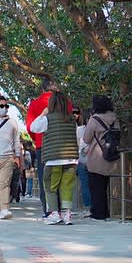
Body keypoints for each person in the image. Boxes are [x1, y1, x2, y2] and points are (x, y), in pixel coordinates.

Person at [30, 92, 78, 225]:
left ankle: (54, 214)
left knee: (50, 187)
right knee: (67, 187)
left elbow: (33, 127)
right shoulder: (72, 119)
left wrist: (42, 114)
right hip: (71, 160)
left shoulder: (47, 119)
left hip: (53, 159)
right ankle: (67, 214)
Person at [26, 79, 60, 217]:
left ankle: (49, 210)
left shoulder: (35, 103)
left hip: (43, 146)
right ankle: (64, 210)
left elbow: (30, 127)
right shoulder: (65, 103)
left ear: (42, 89)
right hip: (62, 146)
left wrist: (36, 139)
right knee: (62, 179)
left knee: (45, 179)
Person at [83, 96, 119, 220]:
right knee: (104, 186)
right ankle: (105, 212)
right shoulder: (114, 118)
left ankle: (98, 213)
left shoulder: (94, 120)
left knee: (96, 187)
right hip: (110, 156)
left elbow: (86, 138)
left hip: (96, 157)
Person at [74, 107, 92, 217]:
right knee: (93, 184)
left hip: (81, 159)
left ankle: (87, 208)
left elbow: (77, 145)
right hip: (94, 159)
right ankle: (95, 207)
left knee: (85, 185)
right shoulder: (97, 130)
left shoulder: (79, 130)